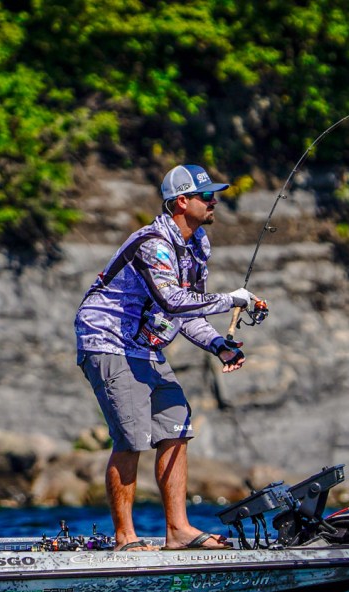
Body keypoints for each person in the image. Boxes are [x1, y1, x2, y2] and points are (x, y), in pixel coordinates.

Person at [74, 164, 257, 551]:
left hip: (145, 346)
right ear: (181, 202)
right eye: (206, 196)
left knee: (176, 428)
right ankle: (125, 537)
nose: (214, 201)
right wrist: (231, 299)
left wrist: (219, 345)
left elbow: (188, 311)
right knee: (132, 438)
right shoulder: (152, 243)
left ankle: (178, 531)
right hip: (107, 340)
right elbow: (171, 300)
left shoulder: (198, 245)